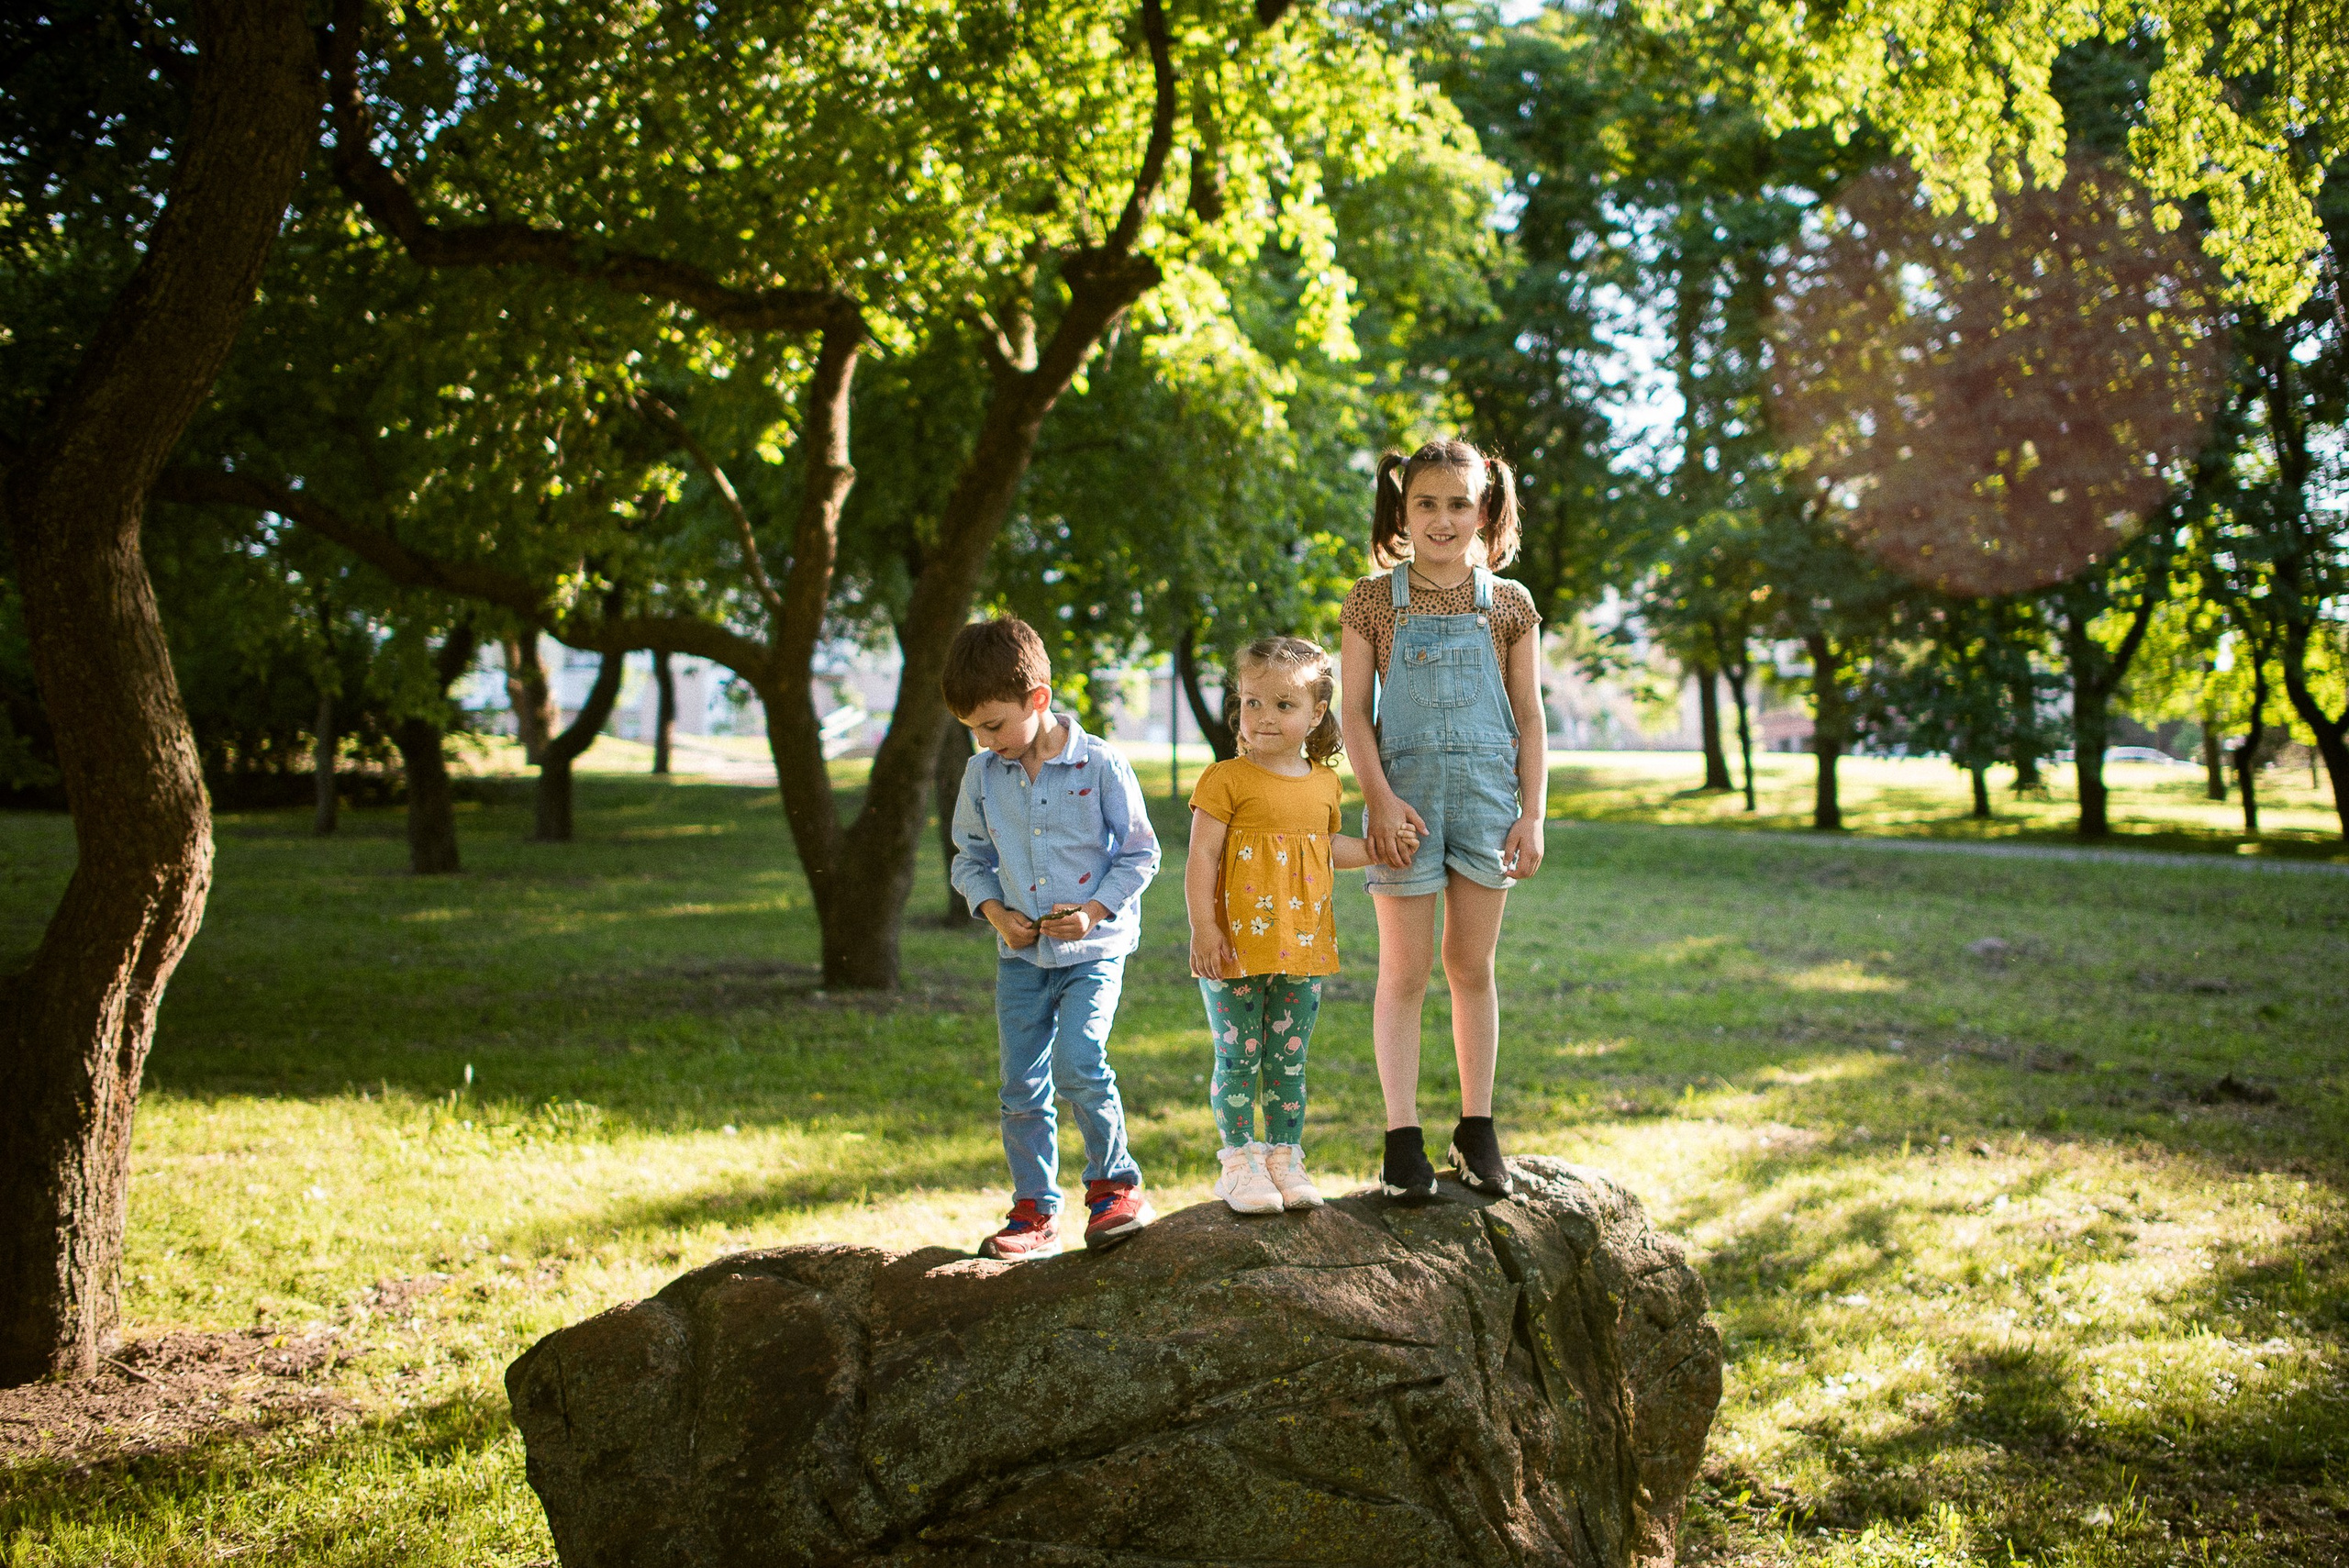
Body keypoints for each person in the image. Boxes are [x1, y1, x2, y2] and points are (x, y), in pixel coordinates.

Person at [1337, 439, 1548, 1200]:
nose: (1443, 518)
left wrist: (1534, 815)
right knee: (1405, 971)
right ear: (1402, 509)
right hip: (1405, 809)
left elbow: (1529, 716)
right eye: (1426, 503)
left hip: (1490, 806)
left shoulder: (1511, 604)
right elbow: (1354, 715)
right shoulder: (1371, 600)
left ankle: (1477, 1127)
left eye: (1459, 503)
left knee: (1471, 967)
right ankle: (1401, 1139)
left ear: (1485, 511)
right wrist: (1381, 800)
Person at [947, 617, 1162, 1259]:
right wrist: (993, 911)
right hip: (1021, 959)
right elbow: (968, 858)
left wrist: (1094, 910)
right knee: (1020, 1084)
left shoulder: (1100, 766)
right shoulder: (983, 776)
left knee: (1079, 1063)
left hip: (1093, 954)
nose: (986, 741)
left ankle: (1116, 1188)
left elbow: (1140, 854)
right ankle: (1035, 1211)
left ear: (1037, 699)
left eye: (993, 725)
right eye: (975, 731)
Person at [1184, 637, 1409, 1216]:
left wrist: (1381, 849)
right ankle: (1239, 1161)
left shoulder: (1324, 783)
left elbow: (1327, 846)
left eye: (1284, 705)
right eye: (1253, 702)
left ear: (1316, 716)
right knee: (1238, 1056)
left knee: (1288, 1058)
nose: (1264, 717)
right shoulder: (1225, 779)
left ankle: (1285, 1158)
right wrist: (1204, 930)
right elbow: (1202, 858)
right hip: (1236, 946)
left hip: (1303, 945)